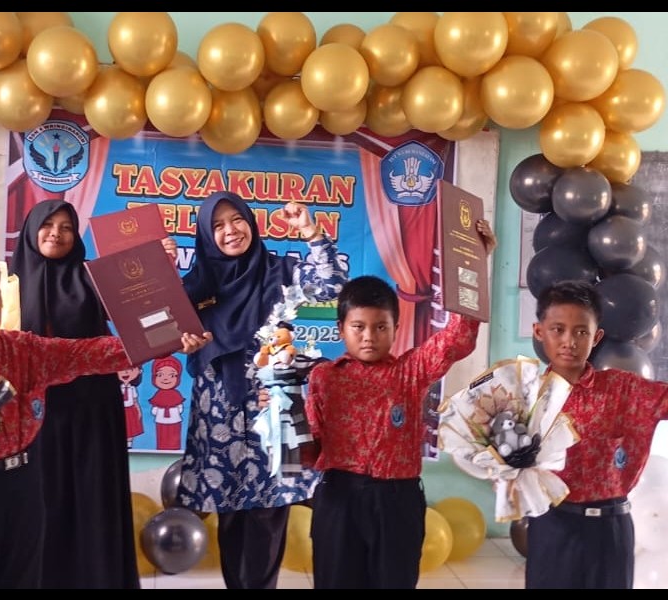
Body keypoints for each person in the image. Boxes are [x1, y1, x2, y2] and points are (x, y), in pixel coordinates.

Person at [0, 245, 211, 589]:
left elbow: (93, 353)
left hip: (24, 485)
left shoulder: (22, 349)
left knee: (25, 579)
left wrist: (170, 339)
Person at [304, 219, 497, 590]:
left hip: (397, 502)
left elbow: (458, 337)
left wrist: (475, 263)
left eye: (381, 326)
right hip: (339, 499)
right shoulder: (323, 377)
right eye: (358, 326)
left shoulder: (411, 371)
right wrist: (281, 426)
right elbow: (310, 443)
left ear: (395, 329)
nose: (369, 336)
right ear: (341, 328)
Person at [176, 191, 349, 589]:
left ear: (251, 222)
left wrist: (310, 231)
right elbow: (160, 331)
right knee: (229, 514)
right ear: (206, 234)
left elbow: (332, 285)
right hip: (218, 414)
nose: (230, 231)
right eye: (217, 225)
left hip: (274, 409)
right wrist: (181, 340)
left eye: (236, 219)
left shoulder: (281, 272)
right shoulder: (194, 285)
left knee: (269, 515)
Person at [10, 199, 165, 588]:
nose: (56, 234)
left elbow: (146, 314)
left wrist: (158, 270)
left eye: (66, 227)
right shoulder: (6, 285)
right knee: (41, 500)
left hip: (91, 409)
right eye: (48, 225)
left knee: (92, 497)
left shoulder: (95, 276)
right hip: (33, 417)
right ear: (31, 230)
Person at [526, 280, 668, 589]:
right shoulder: (525, 398)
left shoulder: (623, 389)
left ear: (597, 336)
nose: (569, 341)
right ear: (539, 331)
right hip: (551, 526)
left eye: (581, 332)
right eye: (558, 329)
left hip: (610, 531)